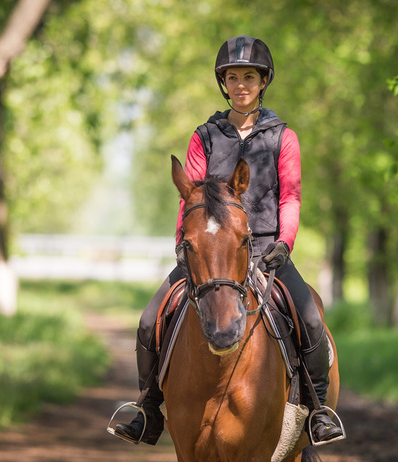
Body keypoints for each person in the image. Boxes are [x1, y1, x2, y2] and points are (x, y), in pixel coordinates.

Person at [115, 35, 343, 446]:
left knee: (309, 318)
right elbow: (188, 198)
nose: (241, 85)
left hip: (265, 250)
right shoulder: (204, 136)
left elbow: (290, 196)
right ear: (224, 83)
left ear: (262, 82)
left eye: (249, 77)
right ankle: (148, 409)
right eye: (233, 77)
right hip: (208, 253)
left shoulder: (282, 137)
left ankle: (318, 411)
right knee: (151, 319)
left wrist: (284, 244)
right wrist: (186, 245)